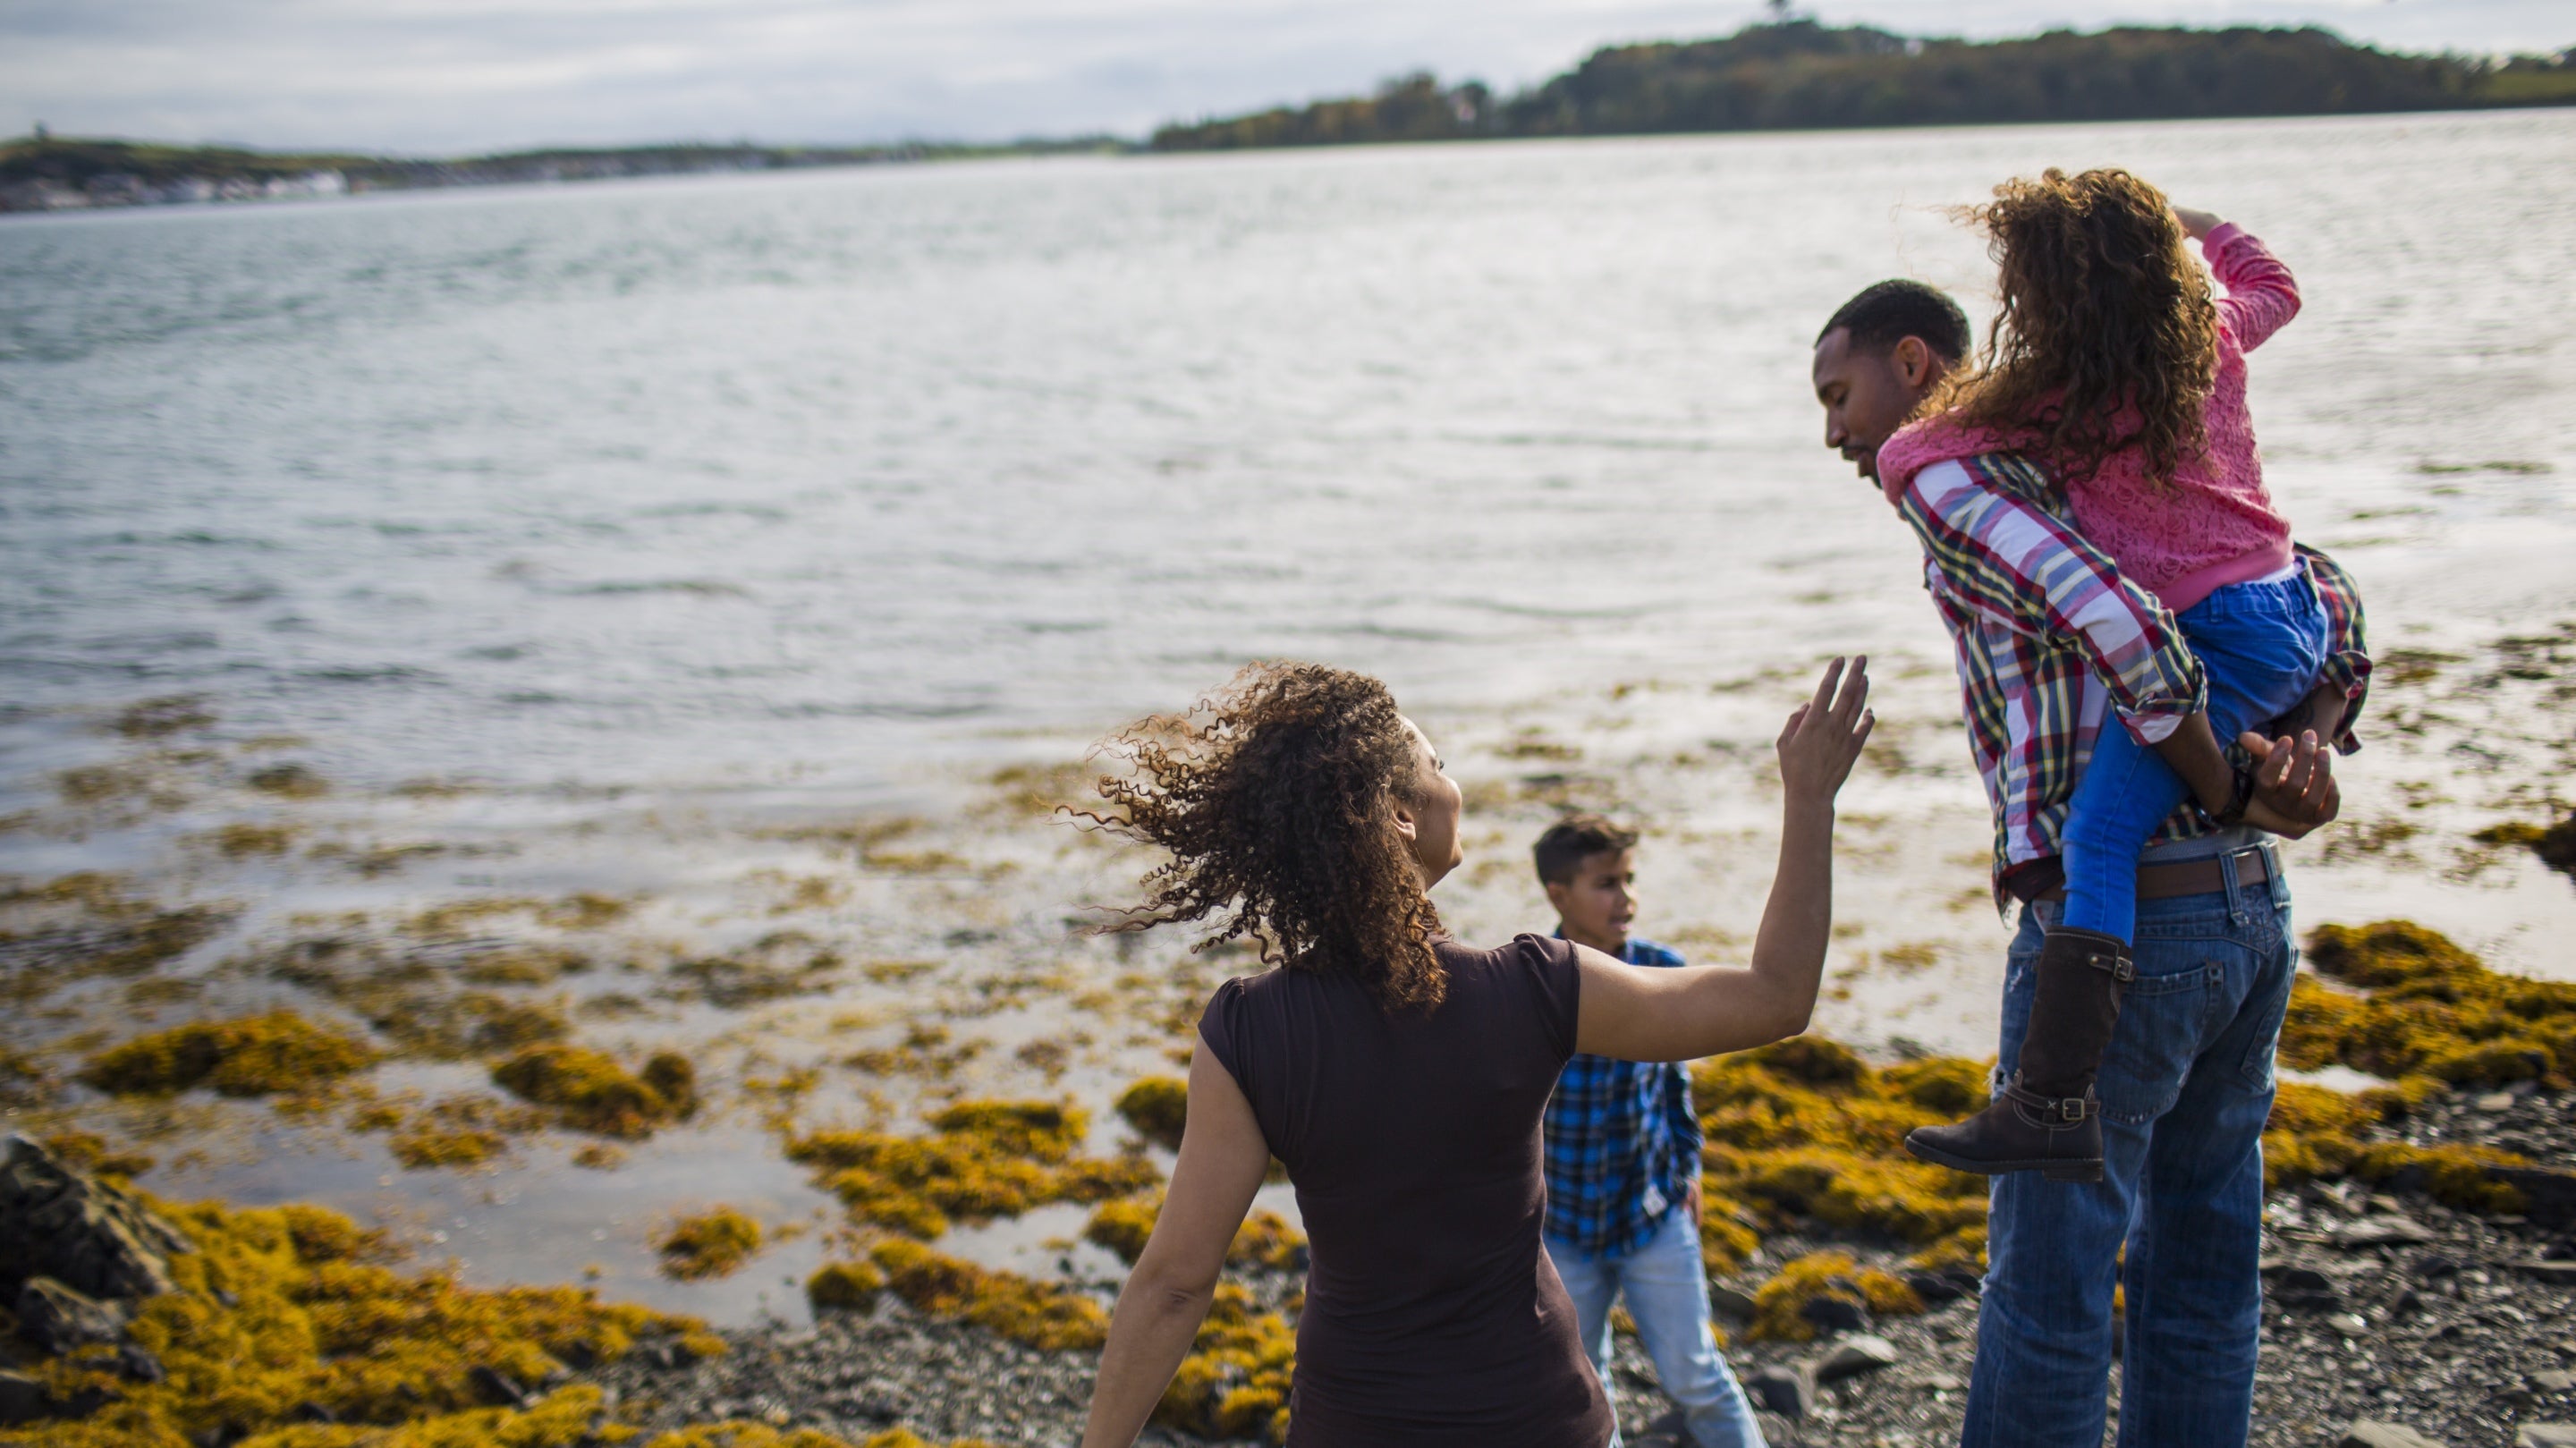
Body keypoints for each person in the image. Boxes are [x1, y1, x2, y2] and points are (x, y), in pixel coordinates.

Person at [1812, 267, 2370, 1445]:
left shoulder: (1951, 472)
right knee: (2204, 1276)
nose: (1834, 434)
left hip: (2122, 936)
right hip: (2245, 915)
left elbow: (2130, 633)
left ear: (1912, 363)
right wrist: (2298, 756)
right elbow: (2311, 578)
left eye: (1837, 391)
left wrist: (2229, 779)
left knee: (2050, 1297)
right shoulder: (2086, 450)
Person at [1077, 657, 1874, 1448]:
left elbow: (1177, 1282)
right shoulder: (1532, 989)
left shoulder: (1247, 1029)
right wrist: (1808, 800)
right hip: (1537, 1417)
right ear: (1396, 813)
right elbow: (1776, 997)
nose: (1453, 787)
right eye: (1437, 764)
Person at [1879, 169, 2333, 1182]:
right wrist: (2198, 221)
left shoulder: (2064, 393)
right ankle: (2049, 1096)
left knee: (2098, 832)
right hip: (2285, 602)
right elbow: (2275, 284)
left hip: (2216, 636)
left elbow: (1932, 442)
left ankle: (2047, 1098)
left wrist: (1900, 447)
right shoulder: (2209, 332)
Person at [1533, 814, 1767, 1448]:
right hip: (1566, 1229)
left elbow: (1674, 1093)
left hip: (1652, 1215)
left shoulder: (1662, 969)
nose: (1626, 896)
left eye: (1630, 879)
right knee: (1581, 1385)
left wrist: (1689, 1169)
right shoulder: (1532, 982)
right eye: (1607, 882)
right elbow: (1511, 1111)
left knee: (1696, 1373)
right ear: (1559, 894)